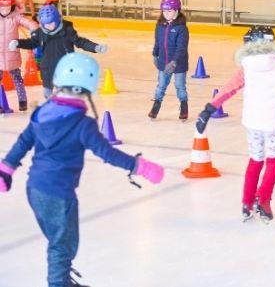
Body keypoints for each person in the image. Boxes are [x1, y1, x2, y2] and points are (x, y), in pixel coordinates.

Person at [0, 52, 164, 287]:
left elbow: (23, 142)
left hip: (35, 188)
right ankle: (59, 283)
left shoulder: (41, 113)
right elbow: (107, 153)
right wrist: (139, 166)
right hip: (58, 194)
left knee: (63, 241)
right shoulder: (82, 124)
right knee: (62, 244)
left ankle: (62, 280)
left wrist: (6, 169)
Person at [196, 26, 275, 223]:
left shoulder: (246, 67)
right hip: (274, 122)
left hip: (254, 122)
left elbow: (228, 90)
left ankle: (247, 203)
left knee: (255, 161)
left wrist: (208, 109)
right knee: (274, 161)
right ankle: (263, 199)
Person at [10, 5, 106, 99]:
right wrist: (18, 43)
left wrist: (95, 47)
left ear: (57, 20)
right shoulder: (40, 32)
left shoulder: (67, 31)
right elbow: (31, 43)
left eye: (51, 23)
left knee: (65, 95)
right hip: (47, 69)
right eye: (46, 24)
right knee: (48, 96)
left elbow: (80, 42)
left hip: (65, 69)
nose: (49, 27)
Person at [149, 0, 189, 120]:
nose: (166, 14)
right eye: (164, 11)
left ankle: (184, 107)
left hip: (178, 64)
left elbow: (181, 48)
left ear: (177, 11)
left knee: (180, 86)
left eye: (169, 11)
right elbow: (157, 42)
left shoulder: (181, 29)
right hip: (163, 62)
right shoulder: (160, 26)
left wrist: (174, 62)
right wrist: (155, 54)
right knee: (161, 86)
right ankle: (156, 105)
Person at [0, 0, 38, 111]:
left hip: (12, 55)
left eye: (8, 8)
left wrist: (35, 29)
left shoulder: (16, 17)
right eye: (2, 8)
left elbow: (27, 22)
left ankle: (22, 101)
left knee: (17, 79)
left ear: (12, 6)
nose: (5, 11)